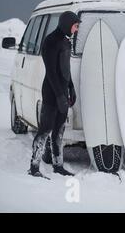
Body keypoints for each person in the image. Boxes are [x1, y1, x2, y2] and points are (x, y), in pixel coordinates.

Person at [28, 11, 81, 179]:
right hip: (51, 92)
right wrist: (59, 96)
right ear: (67, 23)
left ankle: (58, 166)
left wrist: (71, 87)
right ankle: (34, 167)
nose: (77, 29)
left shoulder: (66, 41)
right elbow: (51, 72)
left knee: (59, 131)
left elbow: (65, 69)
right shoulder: (50, 41)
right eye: (75, 25)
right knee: (45, 129)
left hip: (63, 91)